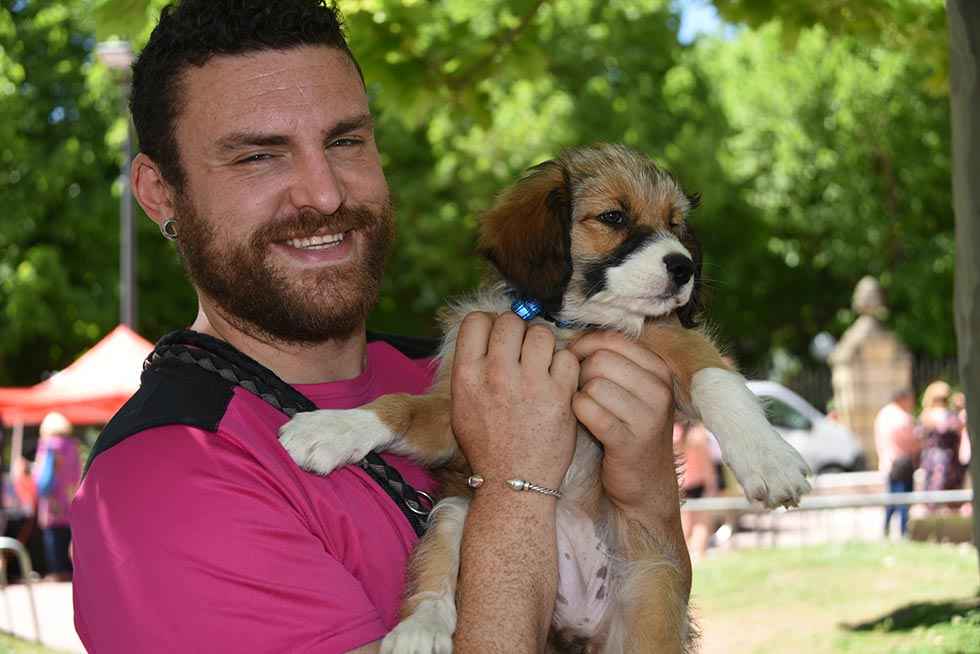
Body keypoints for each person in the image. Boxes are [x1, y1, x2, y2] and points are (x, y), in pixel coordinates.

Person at [69, 1, 689, 652]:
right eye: (258, 156)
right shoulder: (163, 483)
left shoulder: (454, 368)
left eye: (344, 141)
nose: (325, 193)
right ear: (160, 193)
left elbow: (645, 609)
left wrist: (647, 496)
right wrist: (515, 487)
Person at [32, 412, 81, 581]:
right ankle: (70, 570)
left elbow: (40, 475)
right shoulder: (72, 445)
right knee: (69, 535)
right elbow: (77, 473)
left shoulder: (47, 445)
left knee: (53, 535)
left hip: (52, 498)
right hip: (69, 495)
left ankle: (57, 571)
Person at [873, 389, 919, 537]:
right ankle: (904, 533)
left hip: (887, 463)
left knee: (892, 500)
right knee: (904, 500)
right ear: (903, 399)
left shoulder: (883, 414)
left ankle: (885, 529)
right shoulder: (902, 418)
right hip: (901, 463)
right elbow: (913, 443)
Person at [919, 381, 966, 513]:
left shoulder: (925, 416)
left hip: (933, 458)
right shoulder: (948, 416)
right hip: (945, 458)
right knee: (944, 492)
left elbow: (918, 437)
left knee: (935, 494)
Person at [675, 421, 718, 560]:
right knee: (702, 524)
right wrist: (712, 486)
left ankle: (685, 556)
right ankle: (698, 555)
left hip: (681, 484)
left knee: (684, 525)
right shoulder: (698, 435)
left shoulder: (674, 433)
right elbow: (706, 464)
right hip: (698, 484)